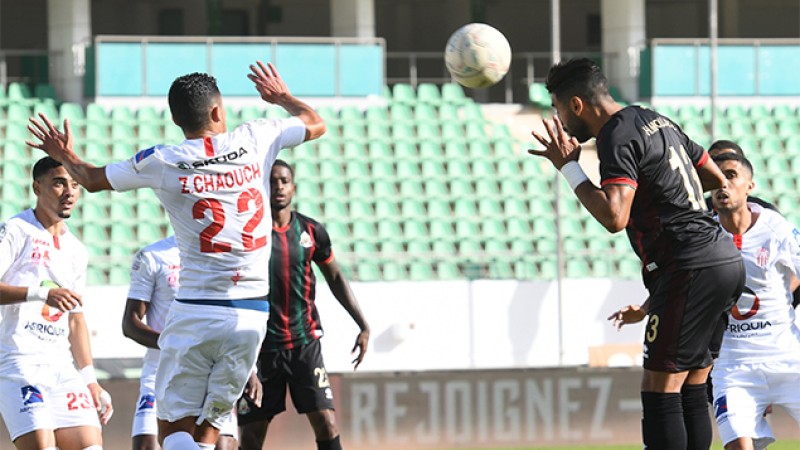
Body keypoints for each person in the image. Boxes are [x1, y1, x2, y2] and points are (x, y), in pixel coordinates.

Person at [27, 60, 326, 450]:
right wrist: (281, 97)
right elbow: (314, 122)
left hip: (196, 313)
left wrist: (64, 154)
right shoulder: (258, 136)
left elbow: (92, 179)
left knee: (172, 430)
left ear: (175, 118)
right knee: (208, 432)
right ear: (218, 111)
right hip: (252, 318)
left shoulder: (163, 159)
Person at [529, 58, 745, 450]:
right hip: (723, 259)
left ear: (576, 105)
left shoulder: (615, 135)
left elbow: (615, 216)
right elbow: (713, 177)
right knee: (692, 382)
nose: (559, 119)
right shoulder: (654, 119)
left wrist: (569, 169)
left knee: (660, 387)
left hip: (689, 266)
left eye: (558, 109)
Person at [612, 152, 800, 450]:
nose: (722, 184)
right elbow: (683, 280)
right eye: (716, 179)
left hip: (789, 359)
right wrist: (646, 308)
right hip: (733, 365)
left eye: (731, 176)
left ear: (750, 185)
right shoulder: (702, 232)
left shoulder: (777, 229)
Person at [237, 160, 370, 450]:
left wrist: (362, 323)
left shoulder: (312, 231)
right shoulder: (250, 235)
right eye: (273, 181)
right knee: (251, 436)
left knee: (326, 422)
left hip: (304, 344)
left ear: (293, 187)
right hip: (261, 350)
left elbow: (334, 276)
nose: (279, 186)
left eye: (284, 180)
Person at [0, 156, 114, 450]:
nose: (69, 192)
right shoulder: (15, 230)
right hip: (18, 362)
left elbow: (76, 318)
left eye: (75, 184)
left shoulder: (76, 249)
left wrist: (90, 380)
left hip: (61, 367)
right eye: (59, 183)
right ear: (37, 187)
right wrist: (41, 293)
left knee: (90, 446)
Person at [122, 236, 262, 450]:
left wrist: (248, 368)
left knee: (223, 445)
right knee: (147, 446)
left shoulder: (226, 257)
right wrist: (176, 343)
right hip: (162, 372)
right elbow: (130, 323)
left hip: (215, 373)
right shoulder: (154, 255)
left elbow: (236, 315)